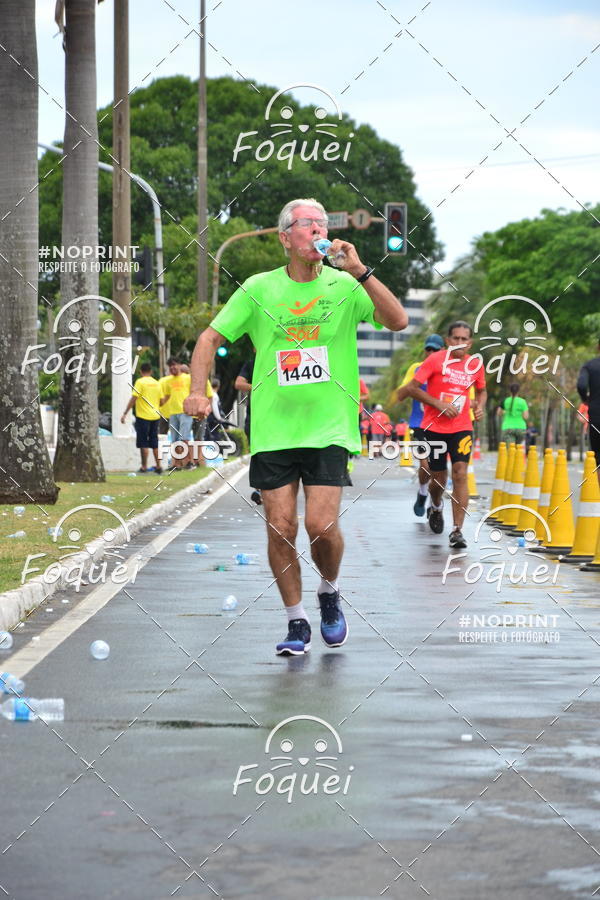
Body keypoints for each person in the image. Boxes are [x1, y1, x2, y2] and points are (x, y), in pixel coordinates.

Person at [184, 197, 407, 655]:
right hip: (274, 429)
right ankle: (296, 620)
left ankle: (329, 591)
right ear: (286, 237)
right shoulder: (259, 289)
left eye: (322, 224)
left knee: (321, 525)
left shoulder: (345, 287)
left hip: (329, 427)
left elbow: (398, 320)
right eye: (307, 225)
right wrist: (197, 390)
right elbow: (209, 337)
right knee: (280, 526)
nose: (317, 230)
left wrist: (360, 269)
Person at [402, 321, 487, 549]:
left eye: (464, 339)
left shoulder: (475, 364)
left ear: (470, 343)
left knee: (460, 473)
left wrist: (479, 406)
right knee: (437, 478)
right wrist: (438, 403)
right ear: (448, 340)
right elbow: (412, 388)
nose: (460, 343)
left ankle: (457, 530)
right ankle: (436, 505)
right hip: (434, 427)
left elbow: (481, 390)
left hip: (462, 427)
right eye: (456, 338)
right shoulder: (435, 360)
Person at [396, 333, 445, 515]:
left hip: (443, 426)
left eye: (435, 349)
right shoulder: (416, 369)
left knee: (439, 470)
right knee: (425, 466)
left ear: (443, 351)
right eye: (428, 349)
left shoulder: (449, 370)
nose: (431, 353)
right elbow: (403, 391)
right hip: (420, 423)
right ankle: (423, 493)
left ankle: (435, 505)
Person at [161, 356, 212, 469]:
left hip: (185, 412)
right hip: (173, 413)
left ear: (179, 365)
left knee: (184, 438)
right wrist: (158, 404)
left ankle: (190, 462)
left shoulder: (189, 378)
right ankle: (176, 464)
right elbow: (167, 396)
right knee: (174, 440)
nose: (172, 367)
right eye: (170, 366)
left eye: (174, 365)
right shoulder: (168, 381)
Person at [121, 362, 163, 473]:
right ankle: (158, 466)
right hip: (155, 416)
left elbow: (134, 398)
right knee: (154, 442)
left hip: (143, 416)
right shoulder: (157, 383)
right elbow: (162, 401)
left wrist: (125, 412)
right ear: (151, 371)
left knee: (143, 442)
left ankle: (144, 466)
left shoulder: (140, 382)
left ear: (140, 372)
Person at [577, 339, 600, 487]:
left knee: (598, 457)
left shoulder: (589, 366)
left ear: (598, 347)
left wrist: (585, 400)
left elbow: (581, 385)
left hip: (597, 415)